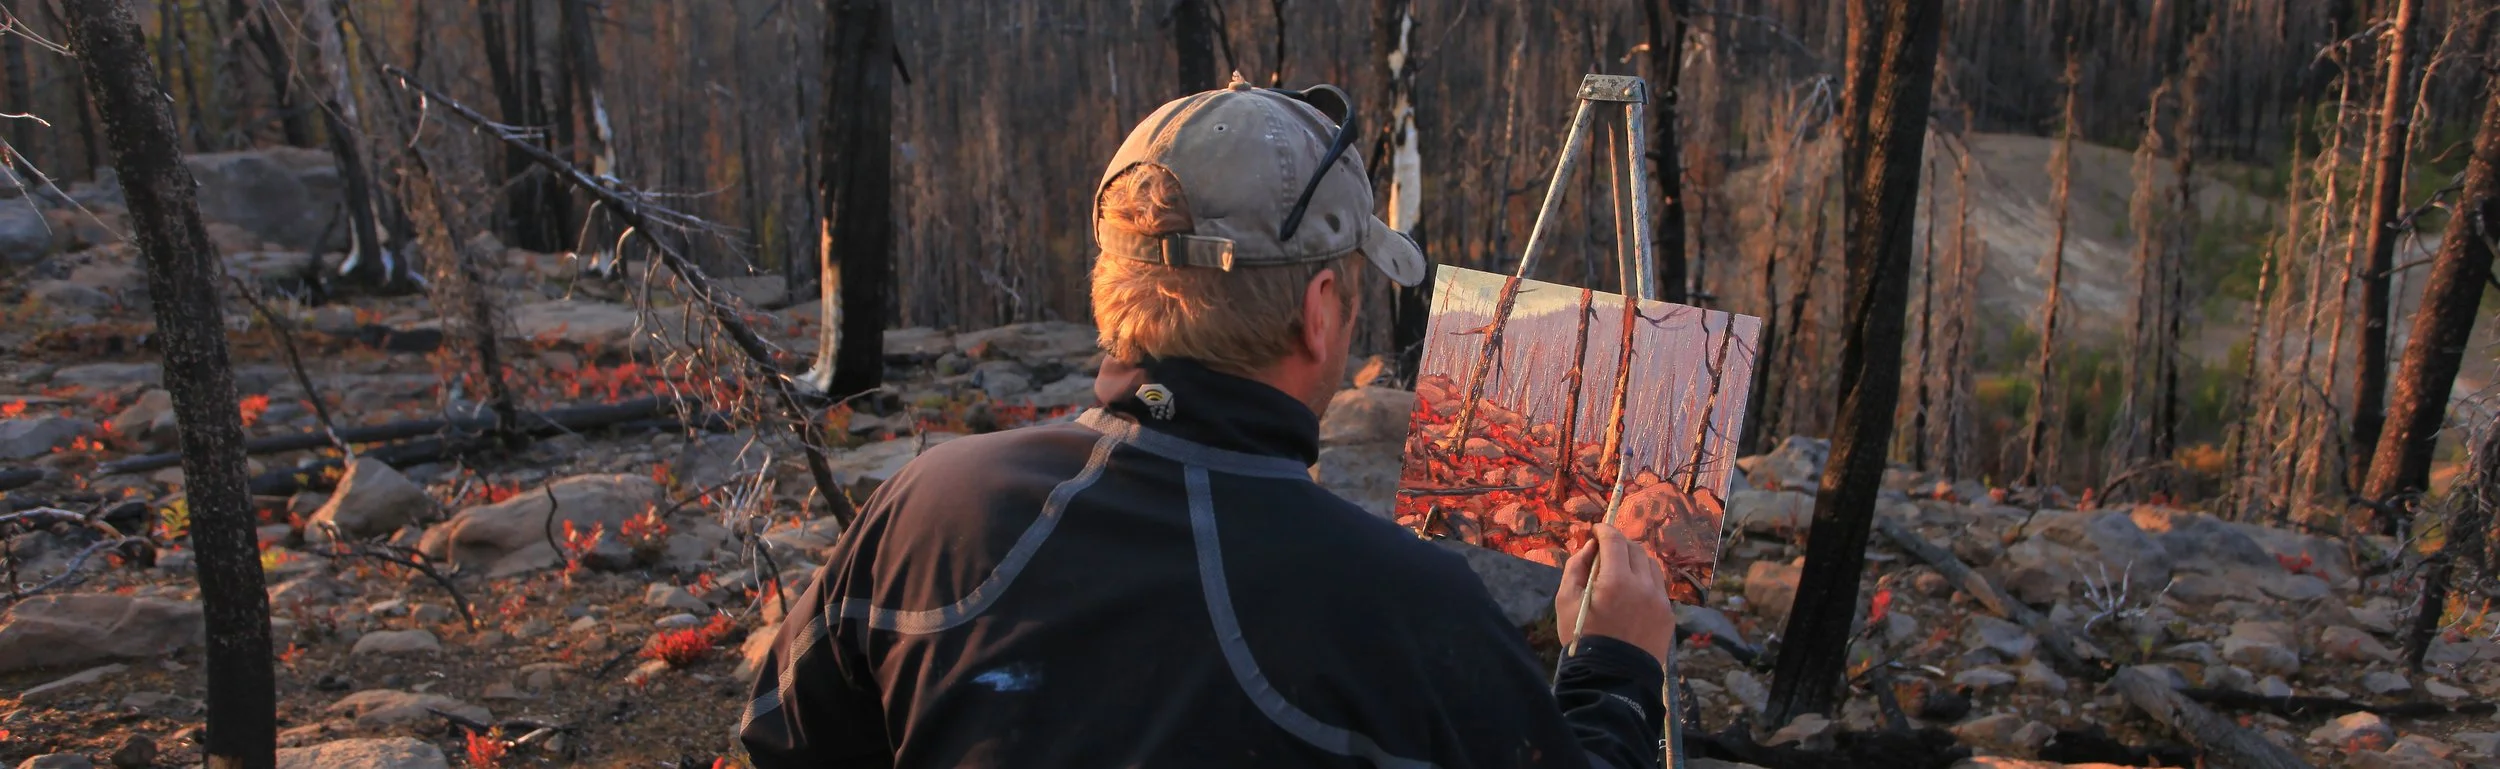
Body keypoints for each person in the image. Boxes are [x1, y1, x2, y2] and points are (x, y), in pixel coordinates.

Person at [738, 74, 1681, 769]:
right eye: (1352, 296)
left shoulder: (928, 506)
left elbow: (786, 741)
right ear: (1319, 310)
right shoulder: (1411, 609)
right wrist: (1614, 667)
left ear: (1115, 280)